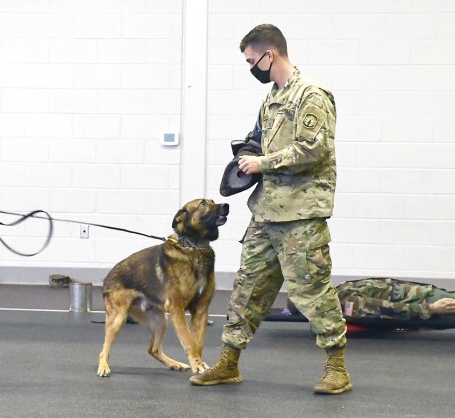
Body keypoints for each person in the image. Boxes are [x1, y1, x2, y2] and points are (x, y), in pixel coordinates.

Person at [189, 24, 351, 394]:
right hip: (266, 212)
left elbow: (314, 151)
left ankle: (336, 368)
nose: (251, 68)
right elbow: (259, 139)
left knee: (312, 290)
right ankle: (228, 363)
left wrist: (262, 164)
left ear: (270, 54)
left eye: (251, 60)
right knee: (247, 289)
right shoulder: (272, 98)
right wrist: (247, 154)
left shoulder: (311, 95)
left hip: (301, 216)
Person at [335, 278, 455, 321]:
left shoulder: (341, 289)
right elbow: (387, 308)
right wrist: (431, 308)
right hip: (426, 304)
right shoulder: (347, 302)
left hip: (426, 295)